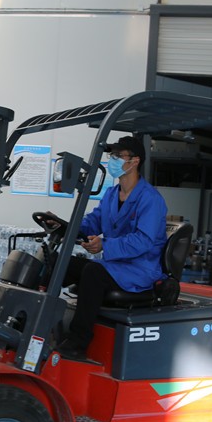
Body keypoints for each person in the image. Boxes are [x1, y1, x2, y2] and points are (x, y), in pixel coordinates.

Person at [56, 135, 168, 358]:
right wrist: (67, 227)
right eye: (112, 155)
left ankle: (78, 342)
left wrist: (104, 245)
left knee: (93, 272)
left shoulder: (150, 199)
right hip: (115, 265)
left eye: (118, 156)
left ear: (135, 161)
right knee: (59, 262)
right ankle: (34, 325)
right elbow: (93, 221)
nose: (112, 160)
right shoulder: (111, 194)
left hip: (139, 269)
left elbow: (143, 241)